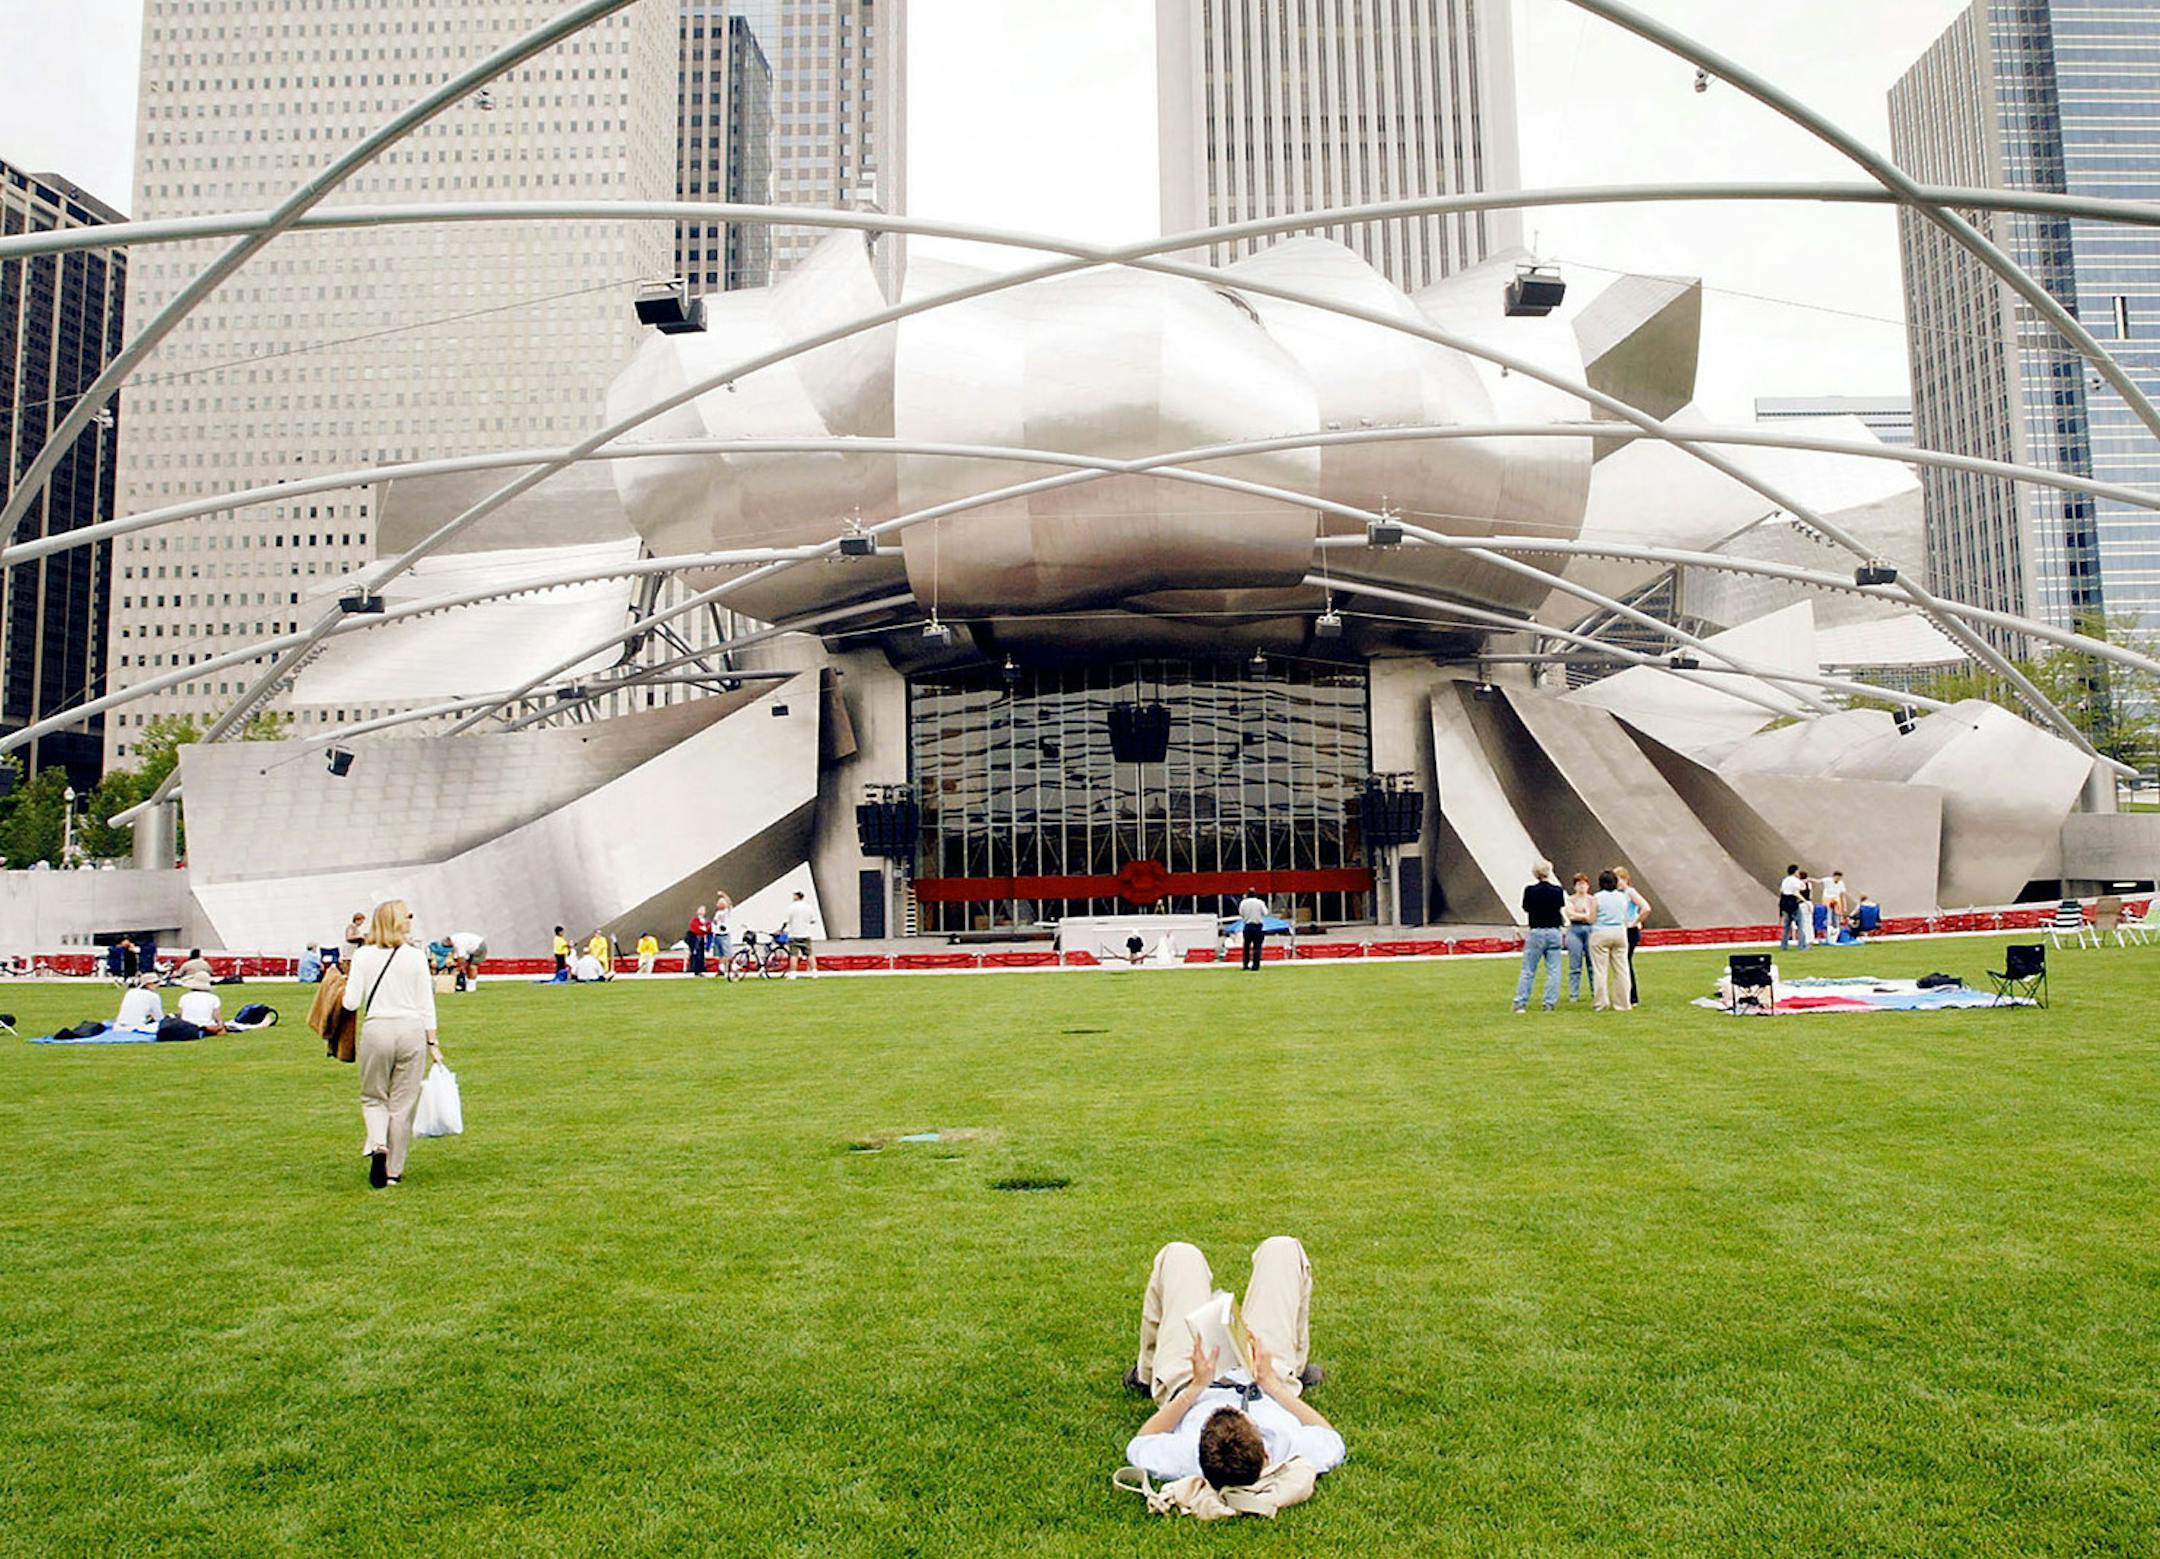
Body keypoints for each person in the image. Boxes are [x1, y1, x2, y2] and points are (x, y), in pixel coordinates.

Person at [1124, 1237, 1345, 1496]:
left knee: (1179, 1255)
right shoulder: (1291, 1448)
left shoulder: (1184, 1456)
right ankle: (1297, 1369)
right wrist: (1270, 1384)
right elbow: (1330, 1436)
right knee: (1283, 1249)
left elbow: (1141, 1441)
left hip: (1191, 1378)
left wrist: (1196, 1387)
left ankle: (1145, 1375)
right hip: (1267, 1378)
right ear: (1266, 1454)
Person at [341, 899, 443, 1190]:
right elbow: (427, 1004)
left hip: (377, 1029)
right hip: (411, 1029)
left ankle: (378, 1146)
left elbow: (350, 1002)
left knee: (374, 1097)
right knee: (402, 1104)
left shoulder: (363, 956)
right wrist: (433, 1041)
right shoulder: (415, 957)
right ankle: (393, 1171)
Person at [1513, 861, 1566, 1015]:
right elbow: (1559, 906)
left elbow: (1526, 907)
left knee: (1528, 970)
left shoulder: (1530, 890)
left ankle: (1520, 1002)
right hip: (1554, 931)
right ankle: (1549, 1003)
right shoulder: (1557, 891)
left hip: (1536, 931)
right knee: (1554, 970)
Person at [1589, 869, 1633, 1012]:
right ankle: (1623, 1003)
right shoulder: (1622, 897)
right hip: (1619, 932)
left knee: (1600, 970)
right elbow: (1626, 917)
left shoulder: (1597, 897)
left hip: (1601, 932)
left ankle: (1601, 1003)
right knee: (1622, 970)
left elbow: (1591, 918)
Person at [1615, 867, 1651, 1004]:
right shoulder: (1617, 894)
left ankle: (1632, 995)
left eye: (1620, 879)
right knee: (1624, 962)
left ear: (1626, 879)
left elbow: (1645, 908)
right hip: (1622, 929)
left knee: (1625, 962)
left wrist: (1635, 922)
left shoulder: (1630, 892)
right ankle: (1627, 994)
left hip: (1629, 930)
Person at [1563, 872, 1596, 1003]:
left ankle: (1595, 991)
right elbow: (1570, 915)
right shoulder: (1570, 900)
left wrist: (1583, 915)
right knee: (1575, 965)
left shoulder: (1592, 899)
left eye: (1584, 884)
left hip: (1590, 930)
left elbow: (1593, 915)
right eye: (1579, 884)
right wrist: (1585, 916)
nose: (1582, 887)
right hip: (1575, 930)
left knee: (1592, 964)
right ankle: (1573, 994)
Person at [782, 891, 819, 980]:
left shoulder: (791, 907)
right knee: (809, 954)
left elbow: (786, 921)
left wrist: (781, 930)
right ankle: (814, 972)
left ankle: (793, 974)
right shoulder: (808, 907)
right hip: (806, 934)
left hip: (794, 934)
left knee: (794, 955)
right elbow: (813, 920)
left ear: (796, 897)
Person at [1777, 865, 1809, 950]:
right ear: (1795, 871)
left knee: (1787, 926)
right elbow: (1802, 888)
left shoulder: (1785, 880)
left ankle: (1784, 946)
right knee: (1800, 925)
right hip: (1793, 903)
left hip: (1785, 903)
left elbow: (1782, 890)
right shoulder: (1795, 881)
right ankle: (1802, 945)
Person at [1236, 889, 1269, 972]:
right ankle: (1255, 965)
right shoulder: (1260, 902)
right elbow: (1265, 913)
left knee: (1246, 947)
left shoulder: (1243, 903)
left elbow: (1241, 913)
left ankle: (1245, 964)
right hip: (1257, 926)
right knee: (1257, 947)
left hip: (1247, 926)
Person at [711, 892, 734, 967]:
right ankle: (721, 968)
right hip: (717, 934)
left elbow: (730, 903)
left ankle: (729, 967)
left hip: (724, 935)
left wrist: (723, 894)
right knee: (720, 953)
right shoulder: (718, 913)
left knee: (726, 953)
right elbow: (715, 922)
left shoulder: (727, 912)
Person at [687, 907, 710, 977]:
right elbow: (694, 928)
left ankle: (701, 967)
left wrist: (704, 929)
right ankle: (695, 968)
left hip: (702, 938)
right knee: (696, 953)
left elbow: (708, 928)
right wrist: (702, 929)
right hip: (696, 938)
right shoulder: (695, 920)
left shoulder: (706, 920)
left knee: (701, 954)